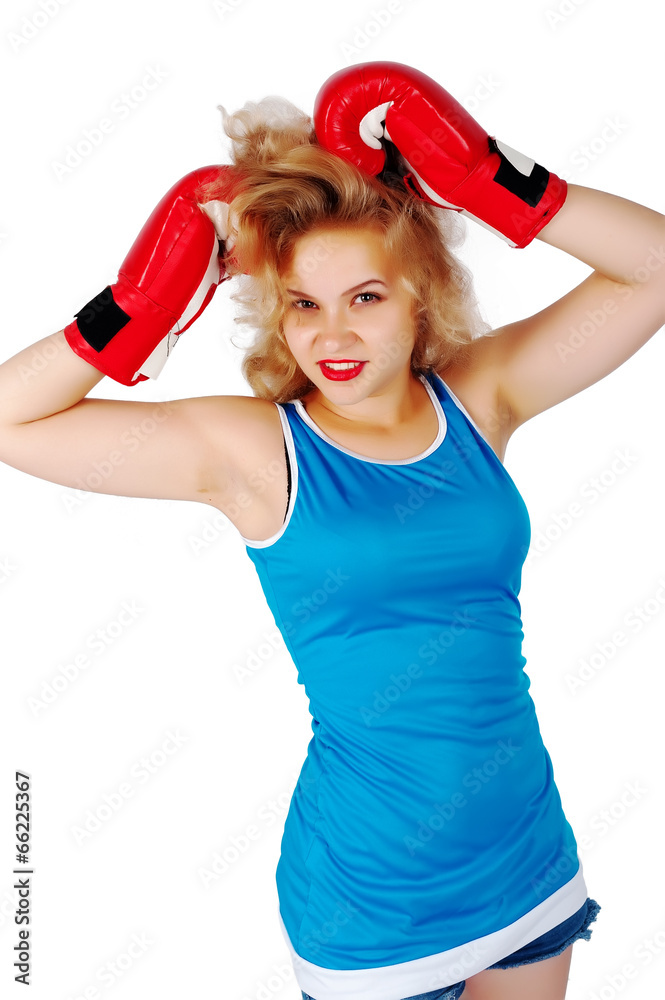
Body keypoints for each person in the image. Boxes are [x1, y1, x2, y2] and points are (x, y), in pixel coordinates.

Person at [1, 61, 663, 1000]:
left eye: (366, 297)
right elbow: (9, 422)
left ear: (418, 294)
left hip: (523, 852)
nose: (333, 336)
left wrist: (491, 179)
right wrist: (137, 313)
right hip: (371, 897)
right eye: (304, 304)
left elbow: (655, 266)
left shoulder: (480, 398)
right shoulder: (258, 449)